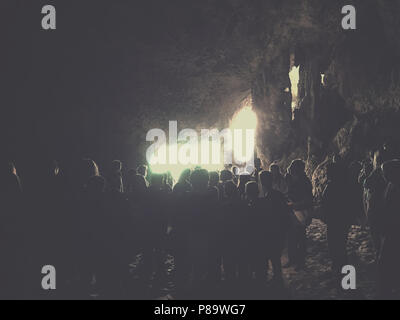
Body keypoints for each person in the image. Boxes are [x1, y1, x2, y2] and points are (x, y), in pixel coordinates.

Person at [259, 171, 291, 282]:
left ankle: (272, 278)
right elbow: (286, 214)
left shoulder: (264, 199)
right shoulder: (279, 195)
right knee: (276, 256)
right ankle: (277, 277)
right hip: (278, 231)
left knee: (269, 256)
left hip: (270, 232)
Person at [322, 163, 353, 274]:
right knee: (340, 246)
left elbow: (329, 204)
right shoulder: (343, 185)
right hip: (341, 221)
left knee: (336, 246)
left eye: (328, 171)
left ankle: (340, 270)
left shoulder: (333, 186)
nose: (326, 173)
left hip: (335, 221)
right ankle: (340, 269)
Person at [286, 159, 313, 269]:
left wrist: (295, 204)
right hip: (294, 212)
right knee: (291, 237)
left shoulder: (305, 182)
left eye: (293, 167)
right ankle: (293, 259)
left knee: (300, 238)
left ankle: (300, 262)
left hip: (301, 212)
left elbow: (308, 200)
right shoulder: (293, 180)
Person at [378, 159, 400, 298]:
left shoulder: (394, 187)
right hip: (389, 230)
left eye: (385, 172)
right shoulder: (390, 185)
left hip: (393, 231)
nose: (383, 174)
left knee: (385, 261)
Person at [364, 151, 387, 257]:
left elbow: (366, 183)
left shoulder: (377, 171)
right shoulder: (389, 170)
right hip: (383, 207)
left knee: (376, 232)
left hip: (375, 207)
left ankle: (379, 254)